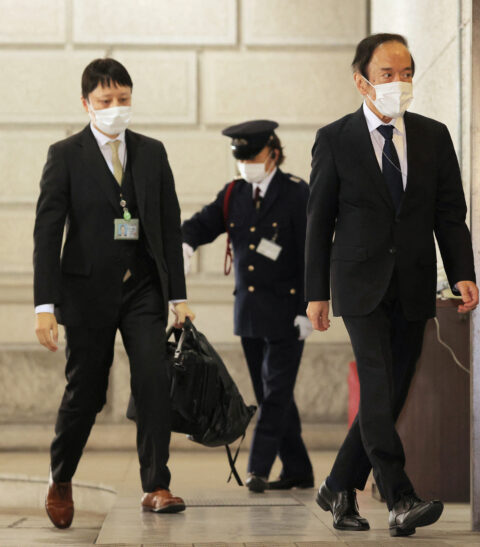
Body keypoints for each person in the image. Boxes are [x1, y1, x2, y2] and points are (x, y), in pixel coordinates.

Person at [305, 33, 479, 537]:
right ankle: (399, 497)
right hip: (358, 283)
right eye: (387, 75)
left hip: (415, 280)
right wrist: (317, 292)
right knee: (378, 385)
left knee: (393, 392)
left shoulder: (433, 135)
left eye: (407, 74)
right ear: (363, 82)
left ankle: (339, 485)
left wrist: (461, 271)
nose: (399, 83)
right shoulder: (335, 139)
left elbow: (450, 214)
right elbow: (320, 220)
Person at [33, 58, 195, 529]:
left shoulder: (151, 152)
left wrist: (176, 296)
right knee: (86, 392)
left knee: (152, 379)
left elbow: (167, 225)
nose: (116, 109)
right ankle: (61, 477)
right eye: (106, 102)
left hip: (143, 287)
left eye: (124, 99)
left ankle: (155, 484)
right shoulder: (65, 155)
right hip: (85, 294)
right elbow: (48, 234)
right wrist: (45, 306)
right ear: (86, 104)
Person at [181, 120, 314, 493]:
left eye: (252, 156)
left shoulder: (295, 193)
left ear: (273, 152)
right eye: (240, 157)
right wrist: (186, 244)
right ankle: (300, 469)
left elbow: (310, 253)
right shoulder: (233, 194)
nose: (245, 164)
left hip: (289, 314)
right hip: (251, 313)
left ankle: (258, 467)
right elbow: (200, 224)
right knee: (273, 393)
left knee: (274, 393)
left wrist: (308, 307)